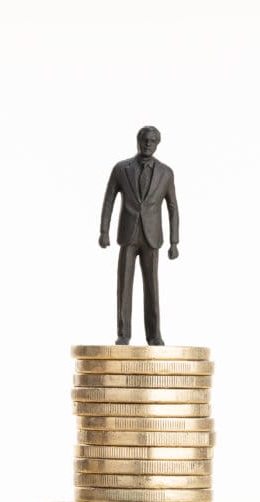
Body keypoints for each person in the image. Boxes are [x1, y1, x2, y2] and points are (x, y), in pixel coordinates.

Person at [98, 125, 180, 346]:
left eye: (153, 141)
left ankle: (154, 335)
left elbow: (173, 207)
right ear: (138, 140)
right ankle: (123, 333)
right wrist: (104, 231)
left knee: (152, 286)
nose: (148, 144)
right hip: (128, 234)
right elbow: (108, 200)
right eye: (145, 139)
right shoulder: (121, 169)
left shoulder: (166, 173)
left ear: (158, 144)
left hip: (152, 237)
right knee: (123, 285)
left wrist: (174, 241)